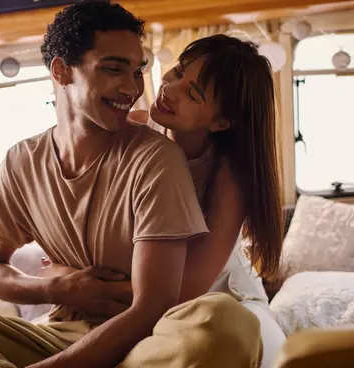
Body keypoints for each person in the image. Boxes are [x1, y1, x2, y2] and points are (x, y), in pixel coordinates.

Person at [0, 1, 262, 368]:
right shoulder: (22, 161)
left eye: (137, 71)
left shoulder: (167, 160)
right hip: (66, 331)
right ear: (61, 72)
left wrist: (63, 277)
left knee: (224, 322)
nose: (134, 87)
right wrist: (58, 288)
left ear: (220, 122)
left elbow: (164, 300)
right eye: (115, 69)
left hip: (158, 329)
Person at [40, 34, 287, 367]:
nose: (170, 89)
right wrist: (71, 280)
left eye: (192, 93)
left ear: (221, 122)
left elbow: (187, 291)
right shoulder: (131, 132)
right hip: (139, 294)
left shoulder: (229, 175)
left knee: (252, 346)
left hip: (217, 295)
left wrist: (95, 289)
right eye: (177, 72)